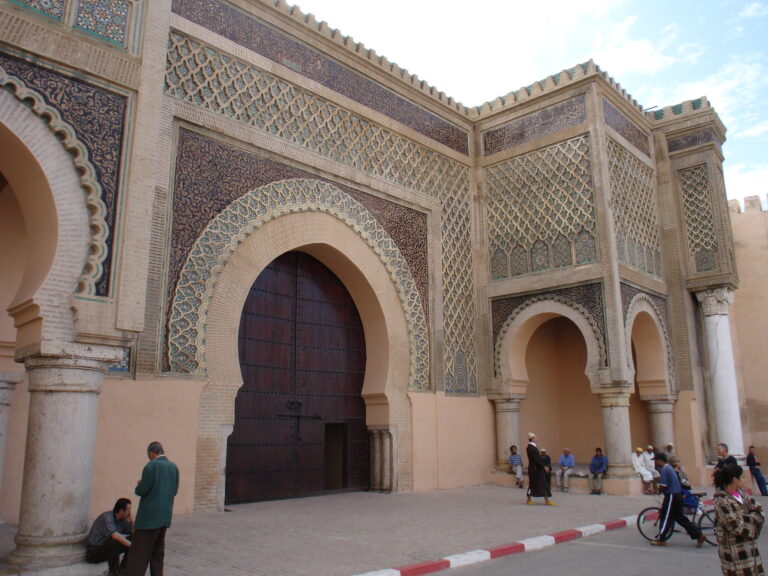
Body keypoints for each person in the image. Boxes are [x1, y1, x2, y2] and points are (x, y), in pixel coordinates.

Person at [123, 442, 179, 576]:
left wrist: (139, 485)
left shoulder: (151, 466)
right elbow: (174, 491)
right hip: (165, 517)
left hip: (148, 519)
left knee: (139, 555)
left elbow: (142, 490)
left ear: (151, 453)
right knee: (157, 554)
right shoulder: (174, 467)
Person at [713, 462, 765, 575]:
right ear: (735, 479)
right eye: (743, 477)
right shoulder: (721, 499)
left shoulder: (742, 494)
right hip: (734, 552)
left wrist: (743, 518)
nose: (745, 480)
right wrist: (752, 519)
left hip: (750, 548)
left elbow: (759, 512)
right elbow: (735, 527)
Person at [650, 452, 706, 547]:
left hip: (671, 496)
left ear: (659, 460)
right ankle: (698, 535)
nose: (655, 463)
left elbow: (663, 485)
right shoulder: (670, 469)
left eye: (655, 460)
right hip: (677, 496)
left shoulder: (665, 470)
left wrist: (658, 490)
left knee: (665, 517)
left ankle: (661, 539)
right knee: (680, 519)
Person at [85, 498, 133, 576]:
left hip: (107, 550)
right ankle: (114, 573)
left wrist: (131, 519)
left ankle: (123, 571)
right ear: (121, 511)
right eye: (128, 511)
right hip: (94, 552)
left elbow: (133, 532)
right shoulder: (107, 518)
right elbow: (115, 536)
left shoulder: (122, 520)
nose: (129, 513)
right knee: (115, 542)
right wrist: (132, 546)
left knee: (133, 539)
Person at [526, 433, 555, 506]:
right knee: (532, 485)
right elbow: (536, 459)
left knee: (543, 484)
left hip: (537, 468)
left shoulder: (532, 447)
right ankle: (529, 499)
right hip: (534, 469)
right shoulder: (530, 448)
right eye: (535, 437)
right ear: (532, 439)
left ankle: (546, 500)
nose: (536, 439)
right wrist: (544, 467)